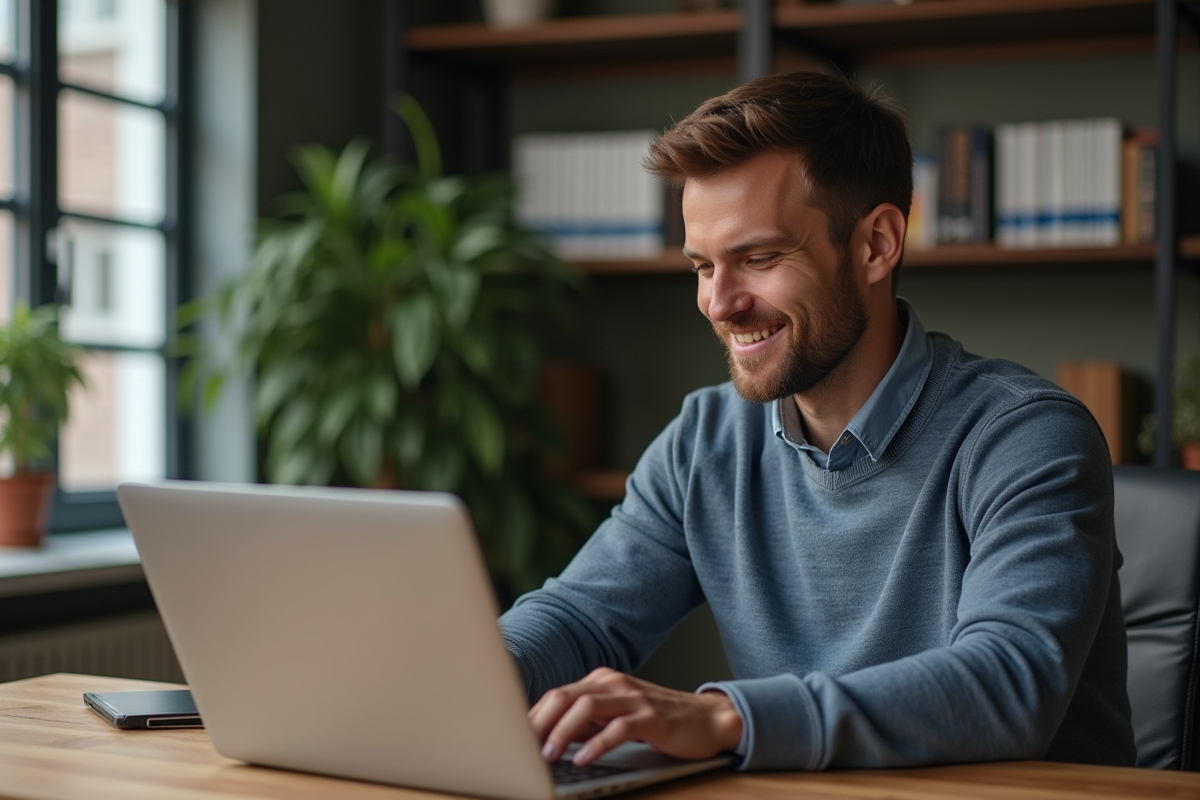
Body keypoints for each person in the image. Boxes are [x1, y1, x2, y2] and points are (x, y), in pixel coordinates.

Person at [498, 70, 1136, 772]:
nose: (718, 302)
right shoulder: (705, 442)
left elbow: (1008, 684)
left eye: (758, 258)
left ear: (876, 244)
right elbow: (580, 619)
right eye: (702, 266)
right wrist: (471, 673)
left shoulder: (1027, 437)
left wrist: (724, 715)